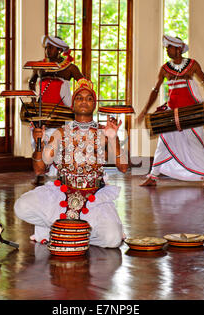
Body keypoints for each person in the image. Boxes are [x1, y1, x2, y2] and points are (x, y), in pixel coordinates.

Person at [14, 79, 129, 248]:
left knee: (112, 240)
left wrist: (113, 138)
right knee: (21, 206)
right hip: (62, 193)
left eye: (89, 98)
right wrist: (38, 142)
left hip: (94, 196)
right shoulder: (60, 133)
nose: (84, 101)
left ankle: (68, 233)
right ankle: (69, 230)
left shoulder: (103, 132)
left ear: (94, 105)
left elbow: (123, 167)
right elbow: (39, 169)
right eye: (79, 98)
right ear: (72, 104)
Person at [136, 35, 204, 188]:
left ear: (178, 49)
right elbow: (155, 90)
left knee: (196, 143)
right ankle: (153, 177)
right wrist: (145, 110)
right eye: (166, 47)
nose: (167, 50)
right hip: (173, 112)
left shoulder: (192, 64)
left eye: (169, 47)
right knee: (163, 143)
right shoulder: (165, 69)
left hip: (192, 111)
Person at [28, 35, 85, 184]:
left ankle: (62, 172)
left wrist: (80, 102)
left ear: (59, 50)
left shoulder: (70, 67)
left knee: (62, 144)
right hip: (43, 111)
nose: (48, 50)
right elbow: (32, 81)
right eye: (46, 47)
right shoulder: (40, 66)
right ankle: (40, 171)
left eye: (51, 48)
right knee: (39, 142)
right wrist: (34, 100)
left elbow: (83, 84)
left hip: (62, 112)